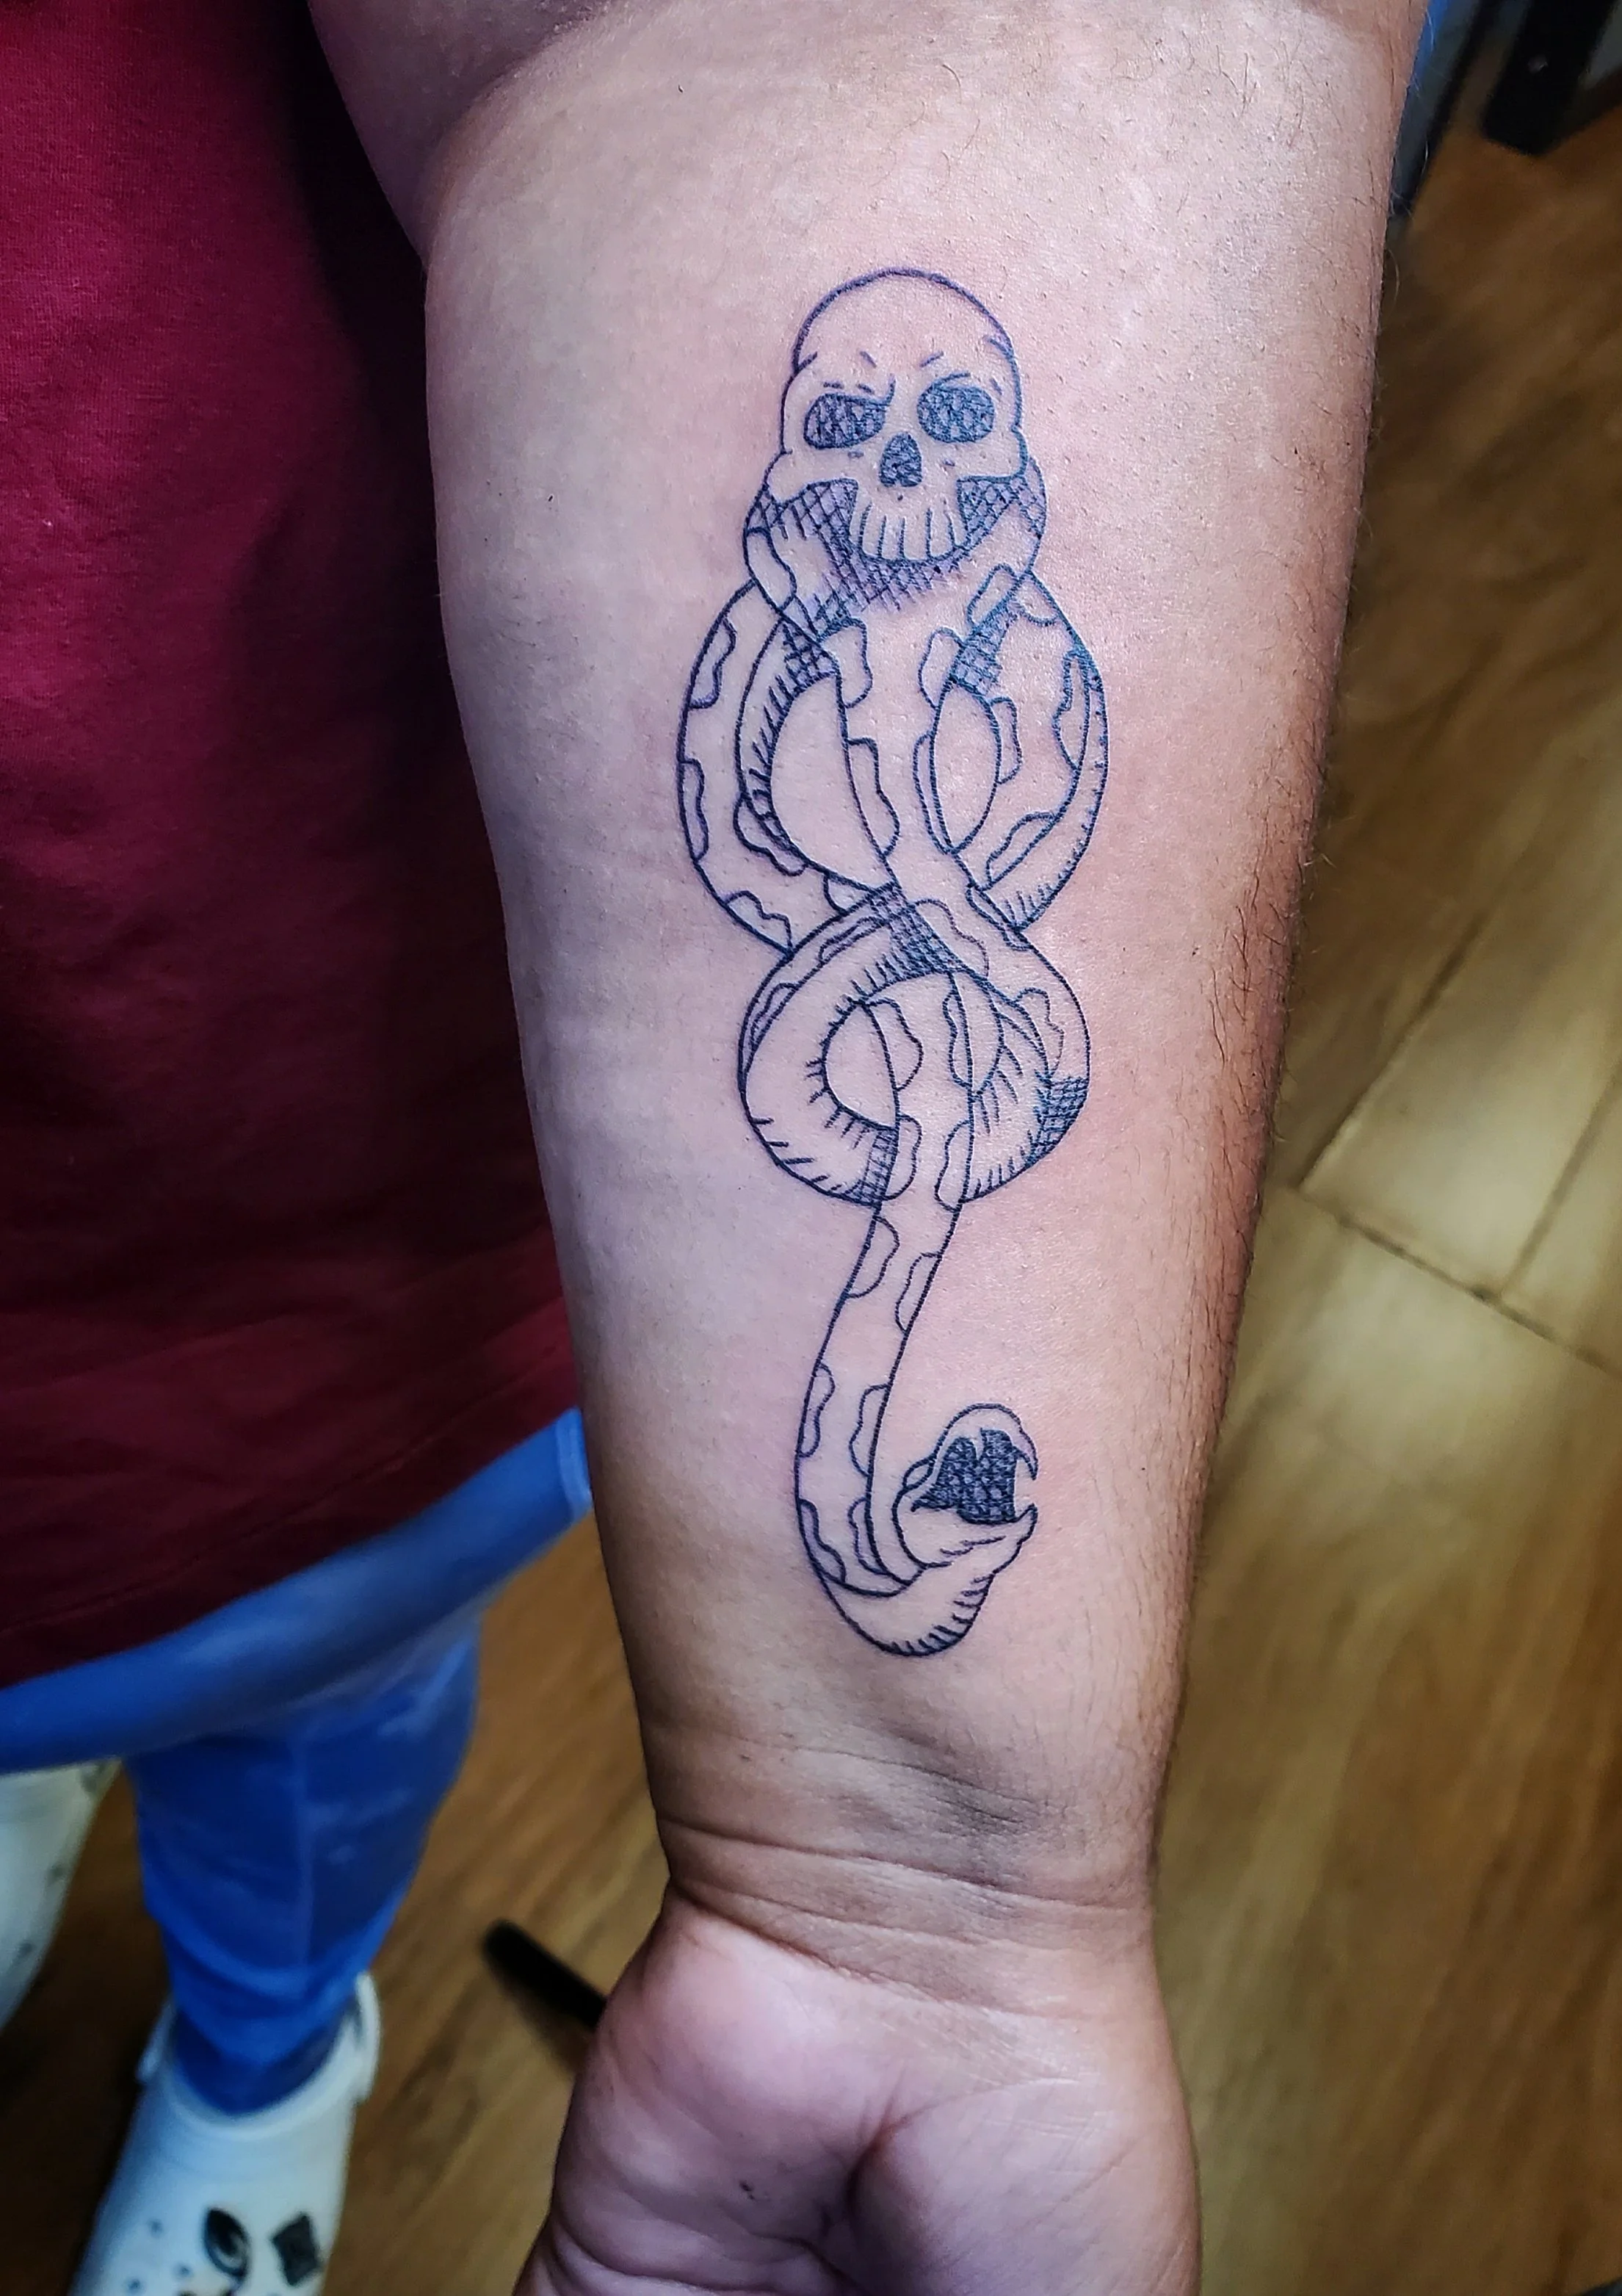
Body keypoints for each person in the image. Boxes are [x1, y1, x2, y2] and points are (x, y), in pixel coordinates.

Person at [1, 1, 1424, 2291]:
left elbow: (855, 48)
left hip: (300, 1296)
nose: (897, 475)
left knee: (304, 1727)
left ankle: (266, 2047)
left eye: (937, 437)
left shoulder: (977, 676)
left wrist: (902, 1883)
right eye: (858, 437)